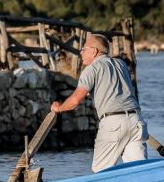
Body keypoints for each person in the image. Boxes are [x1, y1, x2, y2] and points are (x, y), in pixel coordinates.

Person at [51, 33, 148, 172]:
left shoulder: (92, 69)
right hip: (136, 121)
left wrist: (59, 108)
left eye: (83, 49)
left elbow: (74, 100)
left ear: (94, 51)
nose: (81, 52)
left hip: (113, 123)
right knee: (140, 171)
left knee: (101, 171)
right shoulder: (121, 64)